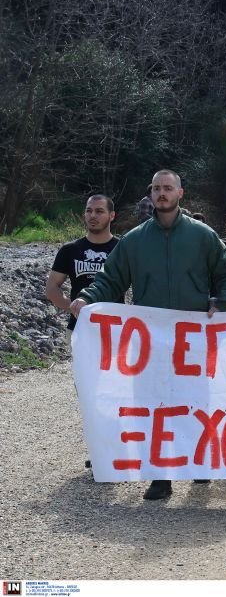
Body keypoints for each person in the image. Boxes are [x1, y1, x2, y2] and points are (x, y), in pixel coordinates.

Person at [70, 169, 226, 501]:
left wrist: (221, 303)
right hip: (150, 341)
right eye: (157, 188)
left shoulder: (202, 235)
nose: (162, 193)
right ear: (150, 194)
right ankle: (160, 476)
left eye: (168, 188)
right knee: (153, 404)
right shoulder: (134, 240)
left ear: (180, 193)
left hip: (192, 340)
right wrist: (88, 298)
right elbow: (110, 278)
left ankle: (198, 462)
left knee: (195, 402)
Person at [46, 194, 121, 470]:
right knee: (89, 390)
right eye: (89, 211)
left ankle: (114, 445)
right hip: (80, 331)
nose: (93, 216)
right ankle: (98, 448)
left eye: (99, 211)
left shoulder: (122, 248)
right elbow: (51, 288)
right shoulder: (71, 250)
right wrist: (73, 308)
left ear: (111, 215)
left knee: (114, 388)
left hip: (115, 331)